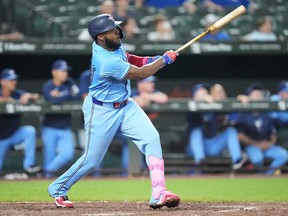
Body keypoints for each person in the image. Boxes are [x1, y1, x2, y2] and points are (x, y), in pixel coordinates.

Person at [47, 14, 180, 209]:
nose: (117, 32)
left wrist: (155, 59)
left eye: (116, 28)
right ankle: (58, 188)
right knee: (92, 161)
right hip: (101, 110)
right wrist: (164, 61)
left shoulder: (112, 44)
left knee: (151, 137)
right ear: (100, 36)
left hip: (126, 105)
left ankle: (159, 193)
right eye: (112, 29)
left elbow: (131, 59)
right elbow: (141, 74)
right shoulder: (105, 60)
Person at [78, 68, 130, 177]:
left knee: (129, 138)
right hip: (97, 118)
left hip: (114, 119)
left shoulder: (117, 73)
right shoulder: (87, 75)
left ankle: (128, 174)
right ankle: (86, 176)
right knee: (93, 149)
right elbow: (85, 96)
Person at [186, 83, 246, 171]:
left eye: (205, 93)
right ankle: (200, 161)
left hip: (212, 146)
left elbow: (229, 111)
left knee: (230, 131)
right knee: (196, 131)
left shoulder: (213, 107)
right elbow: (190, 117)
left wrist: (239, 100)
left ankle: (237, 161)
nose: (204, 96)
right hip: (194, 148)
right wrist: (199, 102)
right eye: (200, 93)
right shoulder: (191, 107)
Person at [236, 82, 288, 175]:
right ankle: (259, 176)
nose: (258, 96)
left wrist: (269, 143)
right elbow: (240, 136)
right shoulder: (243, 113)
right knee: (257, 159)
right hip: (251, 146)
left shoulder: (266, 113)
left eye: (259, 94)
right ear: (249, 97)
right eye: (255, 94)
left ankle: (268, 175)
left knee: (283, 155)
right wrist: (257, 144)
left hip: (266, 145)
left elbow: (273, 134)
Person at [41, 60, 80, 178]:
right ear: (54, 72)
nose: (65, 73)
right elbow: (53, 100)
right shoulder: (48, 85)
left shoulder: (70, 83)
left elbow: (78, 96)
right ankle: (45, 182)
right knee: (49, 157)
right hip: (49, 127)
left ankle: (46, 173)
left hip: (65, 127)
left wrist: (62, 95)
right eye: (62, 71)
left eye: (66, 71)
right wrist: (68, 95)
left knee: (68, 154)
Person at [0, 68, 41, 176]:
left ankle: (29, 165)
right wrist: (14, 101)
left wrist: (29, 96)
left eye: (14, 80)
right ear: (2, 81)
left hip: (13, 135)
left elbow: (38, 97)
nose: (14, 82)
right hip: (1, 140)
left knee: (29, 131)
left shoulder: (17, 94)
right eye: (10, 80)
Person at [270, 80, 288, 150]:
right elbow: (274, 118)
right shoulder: (274, 99)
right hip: (276, 130)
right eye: (287, 92)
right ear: (280, 93)